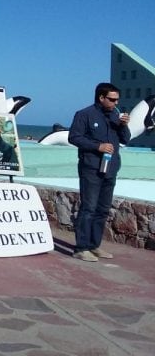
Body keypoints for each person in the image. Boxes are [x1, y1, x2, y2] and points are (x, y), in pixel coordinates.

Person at [68, 83, 130, 262]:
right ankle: (81, 248)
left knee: (103, 209)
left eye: (117, 99)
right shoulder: (84, 114)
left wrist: (123, 126)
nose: (115, 102)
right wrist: (98, 146)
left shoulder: (116, 115)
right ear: (101, 98)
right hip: (92, 168)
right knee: (89, 208)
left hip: (110, 168)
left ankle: (94, 245)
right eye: (112, 99)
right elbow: (74, 137)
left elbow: (125, 139)